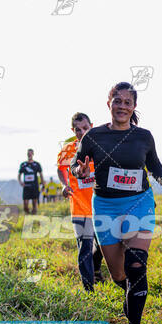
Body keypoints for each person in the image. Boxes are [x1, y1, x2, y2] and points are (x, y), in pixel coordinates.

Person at [70, 82, 162, 324]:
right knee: (118, 275)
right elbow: (75, 165)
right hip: (105, 206)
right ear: (109, 104)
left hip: (139, 202)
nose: (122, 106)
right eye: (118, 101)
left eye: (127, 102)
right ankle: (130, 295)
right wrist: (79, 171)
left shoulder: (144, 136)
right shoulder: (93, 136)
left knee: (136, 264)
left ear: (134, 107)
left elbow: (154, 165)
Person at [58, 112, 104, 292]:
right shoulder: (68, 149)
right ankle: (88, 290)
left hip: (101, 205)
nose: (82, 132)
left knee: (102, 246)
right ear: (73, 130)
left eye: (85, 128)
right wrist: (64, 185)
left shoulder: (101, 146)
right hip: (79, 206)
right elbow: (61, 169)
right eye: (78, 130)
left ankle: (97, 269)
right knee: (84, 247)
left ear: (91, 126)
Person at [18, 149, 45, 214]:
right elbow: (19, 174)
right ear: (27, 154)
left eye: (30, 153)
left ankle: (33, 218)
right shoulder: (23, 164)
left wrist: (43, 184)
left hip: (34, 186)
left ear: (33, 154)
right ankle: (28, 214)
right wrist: (20, 182)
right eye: (28, 153)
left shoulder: (37, 164)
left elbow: (41, 175)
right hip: (26, 187)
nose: (29, 155)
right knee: (25, 206)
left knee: (34, 204)